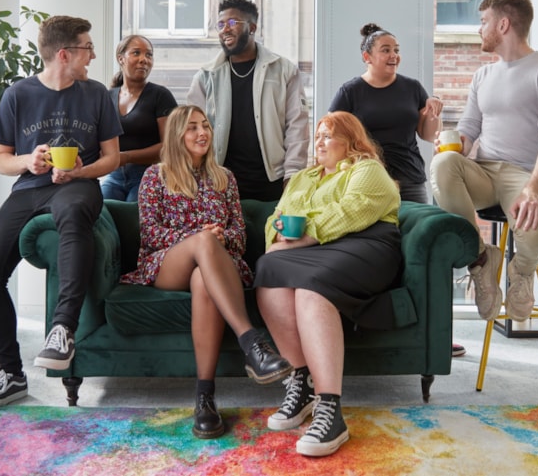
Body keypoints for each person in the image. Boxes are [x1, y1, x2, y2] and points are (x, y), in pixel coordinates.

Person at [0, 15, 123, 408]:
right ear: (64, 53)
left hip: (78, 186)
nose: (92, 55)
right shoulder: (17, 95)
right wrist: (28, 162)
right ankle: (11, 374)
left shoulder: (96, 95)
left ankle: (62, 331)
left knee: (74, 217)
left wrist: (79, 171)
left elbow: (112, 158)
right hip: (27, 190)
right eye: (87, 48)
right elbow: (2, 160)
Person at [120, 105, 292, 439]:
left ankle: (205, 398)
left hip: (216, 267)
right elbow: (151, 234)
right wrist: (199, 238)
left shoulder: (224, 178)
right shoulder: (156, 176)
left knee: (204, 277)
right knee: (201, 245)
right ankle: (252, 342)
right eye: (192, 128)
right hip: (169, 264)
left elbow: (240, 238)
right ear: (177, 136)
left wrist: (221, 237)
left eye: (206, 126)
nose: (202, 133)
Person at [255, 111, 402, 457]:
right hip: (318, 249)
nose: (318, 142)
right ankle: (302, 382)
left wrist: (306, 233)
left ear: (350, 141)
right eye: (317, 136)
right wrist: (279, 234)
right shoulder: (303, 178)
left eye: (327, 135)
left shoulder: (366, 169)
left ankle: (330, 409)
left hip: (367, 245)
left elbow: (353, 210)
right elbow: (275, 219)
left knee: (311, 286)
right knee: (268, 270)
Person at [430, 0, 538, 323]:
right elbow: (469, 130)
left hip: (523, 175)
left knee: (534, 228)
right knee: (442, 164)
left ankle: (521, 272)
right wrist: (452, 144)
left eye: (484, 22)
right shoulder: (482, 76)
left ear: (504, 24)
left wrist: (534, 189)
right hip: (484, 171)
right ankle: (481, 261)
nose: (480, 29)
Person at [329, 23, 466, 358]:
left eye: (396, 50)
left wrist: (434, 113)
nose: (394, 56)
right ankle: (370, 327)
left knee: (419, 256)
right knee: (374, 255)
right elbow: (333, 134)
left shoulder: (412, 87)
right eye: (386, 50)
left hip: (410, 182)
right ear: (367, 56)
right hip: (367, 185)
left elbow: (425, 133)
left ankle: (435, 332)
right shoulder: (350, 92)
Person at [186, 0, 310, 201]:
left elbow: (297, 128)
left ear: (252, 27)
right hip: (220, 181)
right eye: (220, 24)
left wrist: (293, 175)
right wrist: (197, 175)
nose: (225, 29)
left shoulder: (283, 70)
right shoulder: (206, 75)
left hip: (272, 181)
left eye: (233, 22)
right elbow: (189, 129)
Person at [101, 34, 178, 201]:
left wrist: (126, 157)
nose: (144, 59)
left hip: (149, 176)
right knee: (100, 209)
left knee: (132, 215)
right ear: (121, 59)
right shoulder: (108, 97)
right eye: (136, 53)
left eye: (148, 55)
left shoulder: (161, 96)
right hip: (114, 176)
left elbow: (170, 147)